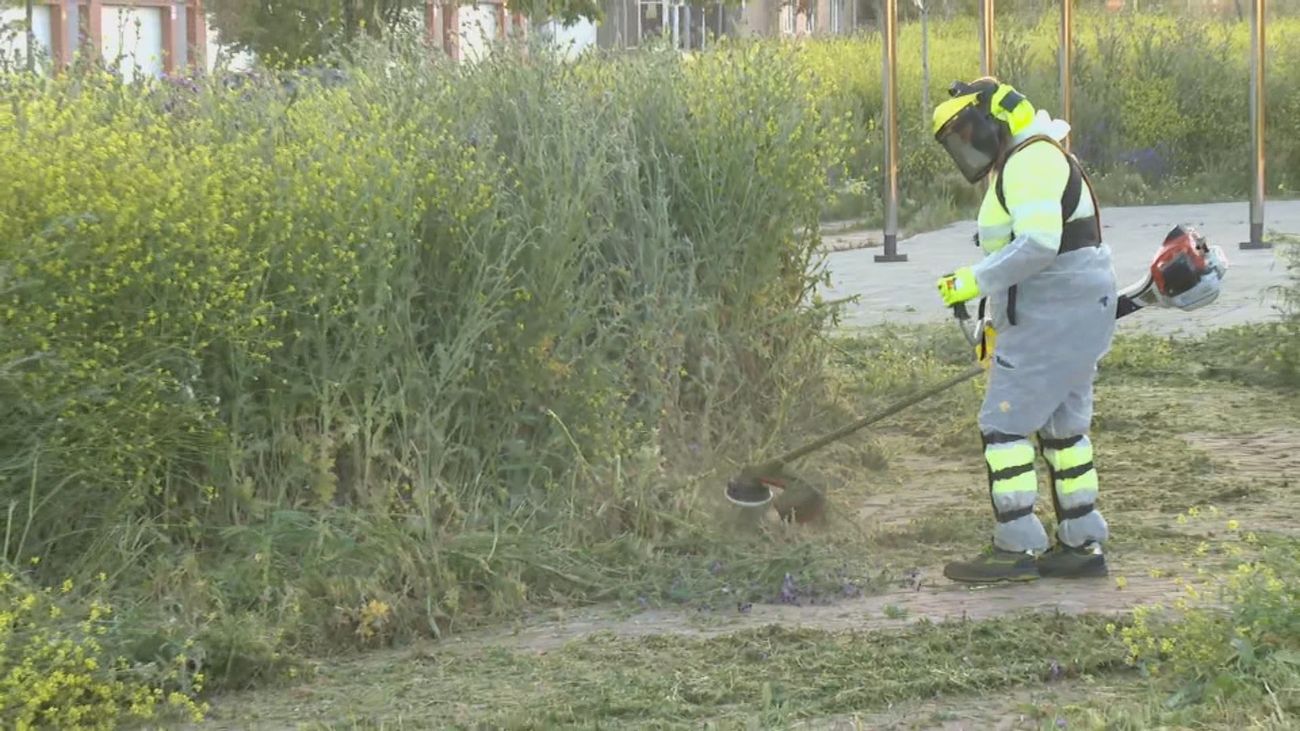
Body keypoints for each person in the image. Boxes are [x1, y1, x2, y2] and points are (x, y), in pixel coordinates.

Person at [930, 77, 1117, 583]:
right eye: (956, 139)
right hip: (1070, 312)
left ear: (994, 120)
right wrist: (992, 317)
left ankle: (1016, 546)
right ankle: (1081, 541)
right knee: (1064, 431)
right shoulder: (1030, 156)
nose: (966, 144)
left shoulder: (1030, 160)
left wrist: (972, 281)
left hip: (1051, 316)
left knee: (1004, 426)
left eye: (967, 130)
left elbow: (1036, 245)